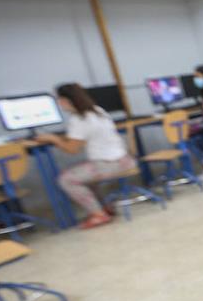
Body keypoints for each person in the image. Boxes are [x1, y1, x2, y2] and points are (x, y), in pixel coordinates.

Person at [36, 83, 137, 230]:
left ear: (67, 100)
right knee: (84, 173)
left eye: (59, 99)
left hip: (108, 165)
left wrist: (54, 139)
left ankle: (98, 214)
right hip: (125, 160)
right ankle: (105, 208)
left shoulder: (79, 119)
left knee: (66, 179)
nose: (58, 103)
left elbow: (72, 149)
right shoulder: (97, 111)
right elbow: (82, 136)